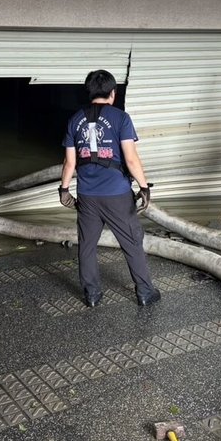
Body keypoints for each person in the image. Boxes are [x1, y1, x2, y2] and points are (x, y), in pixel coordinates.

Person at [59, 70, 160, 308]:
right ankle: (145, 292)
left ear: (90, 92)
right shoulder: (120, 118)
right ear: (113, 93)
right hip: (117, 195)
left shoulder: (75, 120)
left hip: (87, 196)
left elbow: (70, 162)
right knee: (132, 242)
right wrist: (144, 187)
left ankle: (92, 294)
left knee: (87, 245)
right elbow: (131, 159)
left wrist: (64, 190)